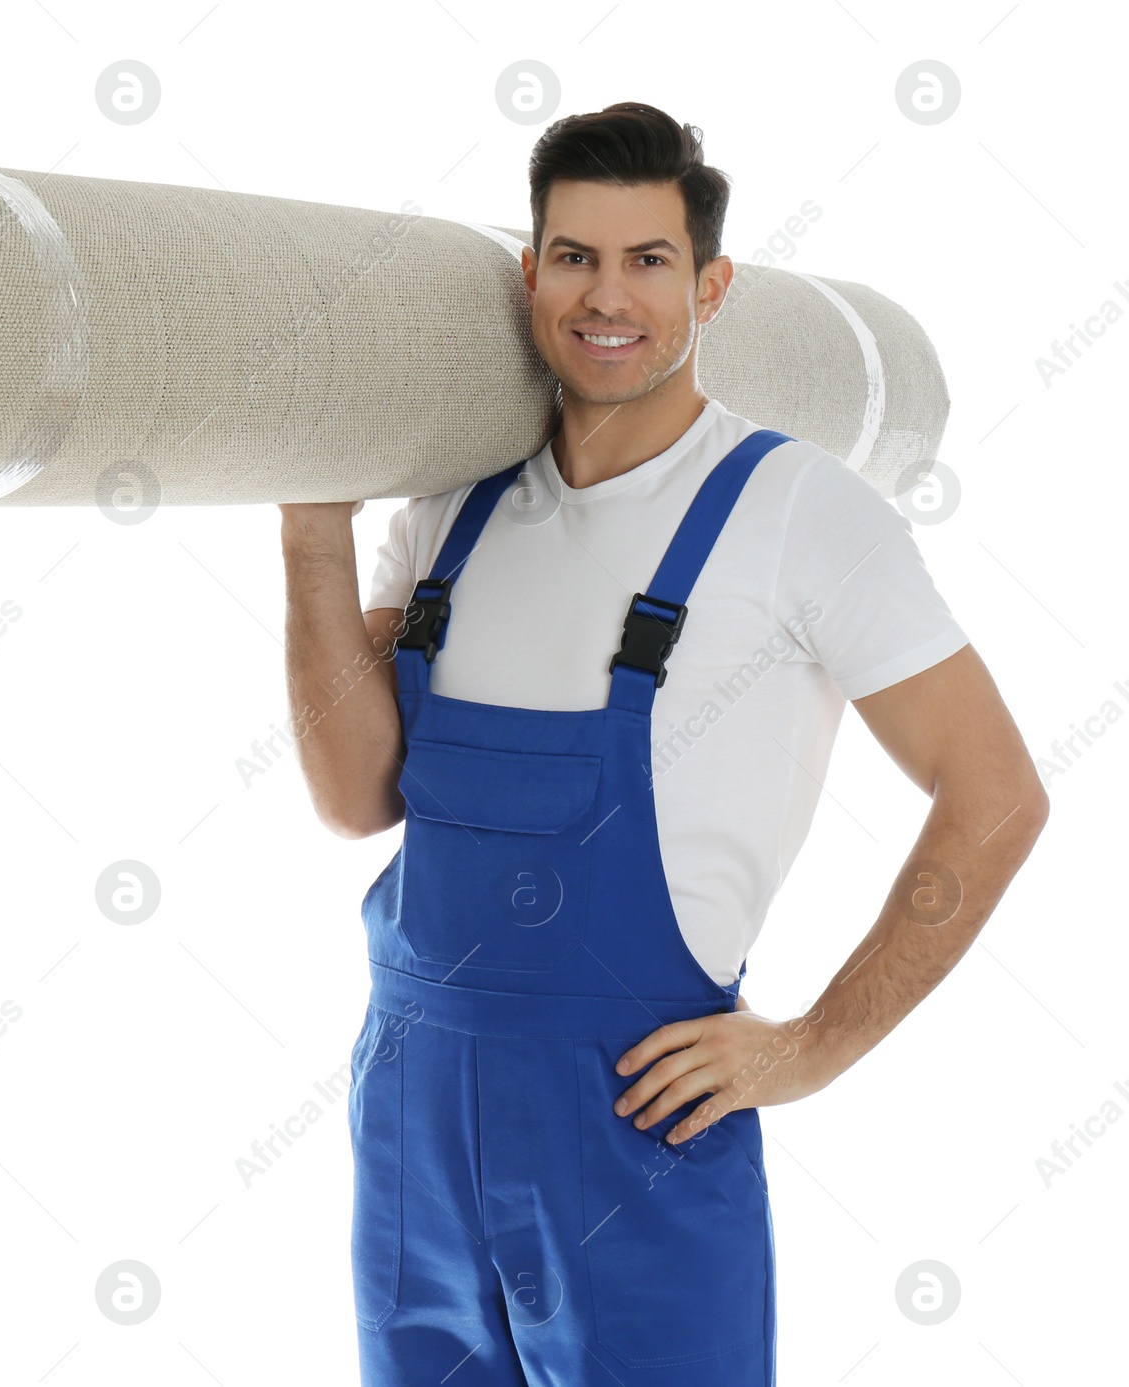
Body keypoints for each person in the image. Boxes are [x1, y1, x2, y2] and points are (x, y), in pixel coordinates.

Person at [278, 101, 1047, 1387]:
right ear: (531, 272)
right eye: (573, 255)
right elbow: (356, 796)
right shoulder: (447, 511)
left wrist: (812, 1046)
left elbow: (998, 795)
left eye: (647, 259)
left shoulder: (799, 510)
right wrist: (312, 527)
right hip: (412, 1118)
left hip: (635, 1121)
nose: (606, 295)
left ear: (711, 284)